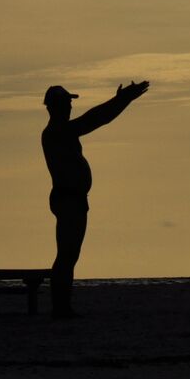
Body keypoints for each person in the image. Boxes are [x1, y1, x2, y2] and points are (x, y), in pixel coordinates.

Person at [41, 80, 148, 317]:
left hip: (73, 198)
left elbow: (95, 119)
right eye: (66, 103)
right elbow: (95, 119)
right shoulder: (57, 132)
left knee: (70, 254)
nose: (70, 106)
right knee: (67, 255)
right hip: (68, 199)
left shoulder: (63, 131)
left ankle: (62, 306)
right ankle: (60, 307)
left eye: (69, 103)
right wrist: (121, 100)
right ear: (54, 107)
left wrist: (121, 101)